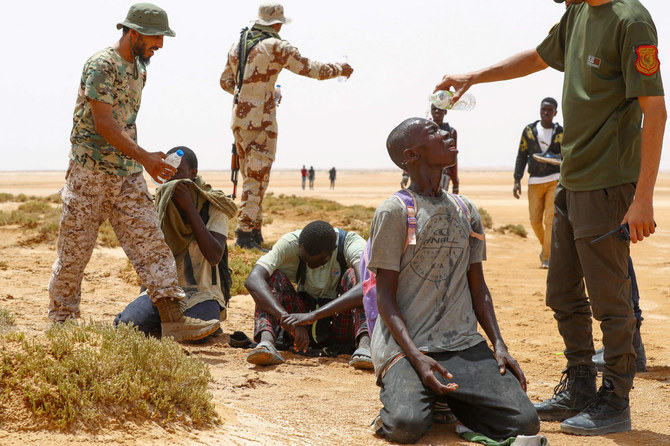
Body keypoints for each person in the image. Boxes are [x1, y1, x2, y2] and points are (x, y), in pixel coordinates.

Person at [435, 0, 665, 435]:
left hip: (607, 183)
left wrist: (644, 198)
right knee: (561, 291)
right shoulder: (578, 13)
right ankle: (579, 384)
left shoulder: (630, 21)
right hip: (570, 179)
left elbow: (655, 111)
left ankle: (615, 398)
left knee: (610, 301)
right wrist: (474, 76)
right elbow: (539, 57)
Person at [47, 3, 220, 342]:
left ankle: (172, 320)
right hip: (90, 174)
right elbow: (105, 124)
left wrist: (144, 161)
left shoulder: (140, 67)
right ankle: (62, 324)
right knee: (74, 253)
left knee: (152, 247)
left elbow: (126, 122)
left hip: (126, 175)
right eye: (156, 38)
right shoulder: (101, 65)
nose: (160, 45)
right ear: (134, 32)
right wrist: (146, 158)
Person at [368, 118, 539, 443]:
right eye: (433, 133)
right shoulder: (394, 212)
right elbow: (385, 299)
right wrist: (416, 357)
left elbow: (479, 289)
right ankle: (417, 397)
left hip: (462, 343)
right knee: (406, 425)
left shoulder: (466, 210)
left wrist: (498, 345)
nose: (446, 134)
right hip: (408, 346)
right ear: (412, 155)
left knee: (525, 422)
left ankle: (448, 399)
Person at [219, 1, 354, 250]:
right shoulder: (275, 46)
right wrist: (340, 69)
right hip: (260, 121)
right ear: (277, 23)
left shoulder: (238, 45)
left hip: (239, 119)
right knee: (256, 178)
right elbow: (311, 68)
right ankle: (245, 235)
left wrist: (251, 94)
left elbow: (226, 82)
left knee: (252, 174)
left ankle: (254, 231)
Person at [115, 147, 237, 342]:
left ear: (193, 174)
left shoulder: (213, 204)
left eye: (177, 173)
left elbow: (214, 255)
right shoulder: (158, 203)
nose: (172, 180)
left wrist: (189, 207)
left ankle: (167, 327)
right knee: (128, 327)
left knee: (201, 330)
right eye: (167, 173)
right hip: (162, 292)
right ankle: (164, 325)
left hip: (201, 294)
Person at [244, 220, 372, 369]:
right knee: (273, 279)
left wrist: (314, 315)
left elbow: (365, 287)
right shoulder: (290, 242)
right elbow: (253, 280)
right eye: (306, 261)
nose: (310, 265)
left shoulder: (352, 244)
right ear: (300, 246)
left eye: (317, 262)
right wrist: (286, 319)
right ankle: (266, 344)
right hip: (301, 320)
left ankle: (365, 346)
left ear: (333, 250)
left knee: (356, 278)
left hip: (339, 320)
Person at [513, 97, 563, 269]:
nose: (546, 112)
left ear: (555, 112)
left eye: (550, 110)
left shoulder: (561, 133)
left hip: (554, 180)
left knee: (550, 220)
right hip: (534, 181)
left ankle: (547, 257)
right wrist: (517, 179)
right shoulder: (529, 131)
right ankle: (546, 247)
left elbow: (566, 156)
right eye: (543, 109)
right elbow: (521, 155)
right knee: (535, 221)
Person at [430, 104, 459, 194]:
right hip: (426, 174)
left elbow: (453, 157)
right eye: (434, 109)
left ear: (445, 111)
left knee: (440, 204)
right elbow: (416, 152)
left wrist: (455, 182)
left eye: (440, 109)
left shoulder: (451, 132)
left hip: (444, 175)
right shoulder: (424, 130)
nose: (437, 111)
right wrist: (406, 175)